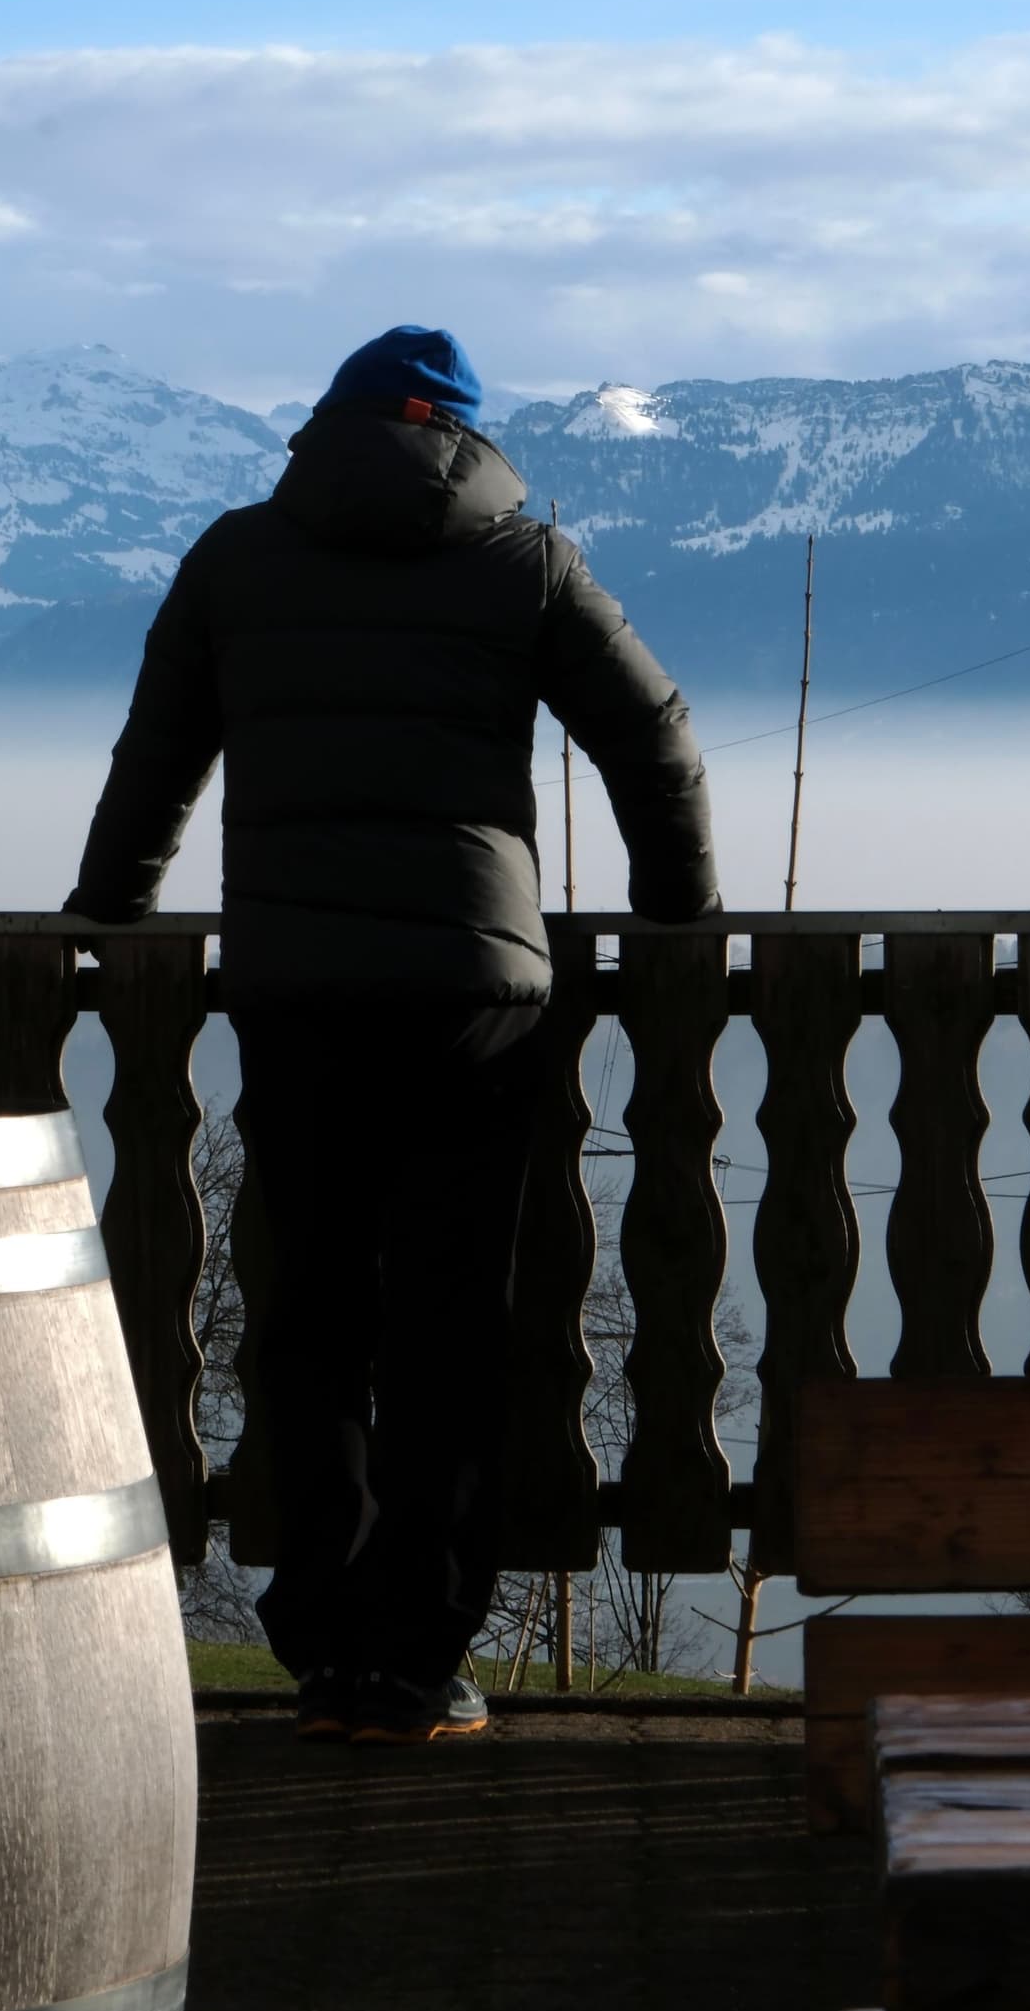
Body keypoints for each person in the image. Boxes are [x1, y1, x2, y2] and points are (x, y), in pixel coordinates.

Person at [66, 324, 721, 1743]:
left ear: (328, 430)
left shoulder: (238, 558)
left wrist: (112, 906)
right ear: (468, 442)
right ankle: (419, 1663)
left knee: (307, 1320)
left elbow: (158, 756)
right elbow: (654, 735)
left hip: (297, 995)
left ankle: (320, 1647)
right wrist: (677, 912)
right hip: (474, 1007)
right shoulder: (524, 563)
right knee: (449, 1327)